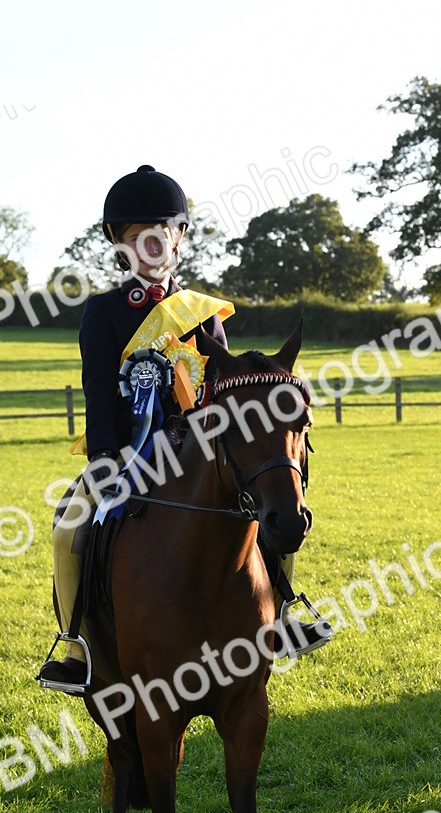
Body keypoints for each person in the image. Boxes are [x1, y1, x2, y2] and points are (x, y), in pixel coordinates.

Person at [38, 165, 330, 694]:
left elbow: (221, 387)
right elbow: (99, 391)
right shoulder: (103, 313)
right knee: (68, 528)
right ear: (121, 247)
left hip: (201, 453)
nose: (149, 246)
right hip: (128, 454)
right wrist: (104, 457)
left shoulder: (204, 312)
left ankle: (285, 609)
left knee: (276, 503)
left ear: (177, 241)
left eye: (160, 235)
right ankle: (75, 644)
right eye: (135, 238)